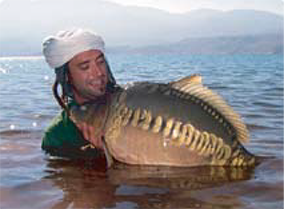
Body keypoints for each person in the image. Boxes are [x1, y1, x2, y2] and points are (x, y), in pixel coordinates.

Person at [41, 28, 119, 159]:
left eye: (100, 62)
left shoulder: (131, 102)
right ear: (66, 76)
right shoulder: (58, 135)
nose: (99, 73)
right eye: (85, 67)